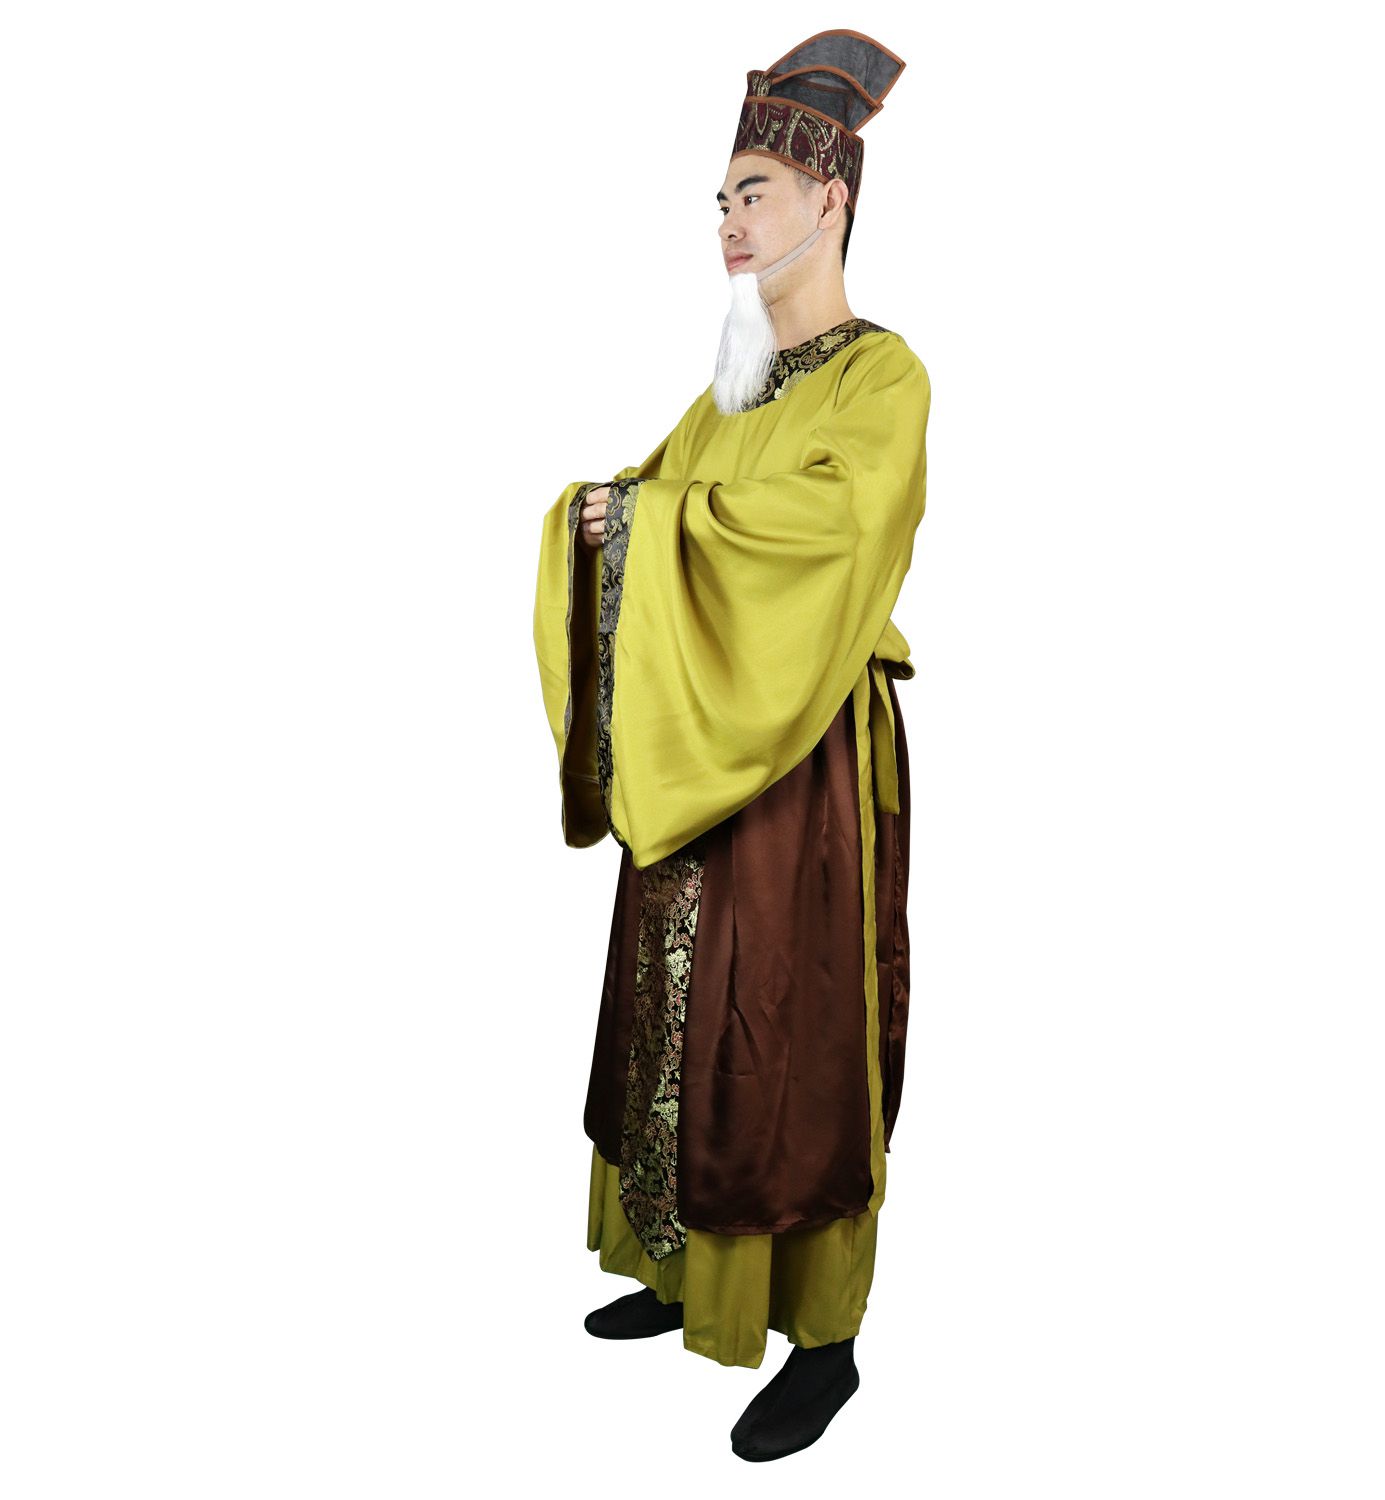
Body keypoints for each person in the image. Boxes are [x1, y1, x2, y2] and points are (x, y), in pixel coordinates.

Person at [532, 30, 928, 1462]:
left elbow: (832, 532)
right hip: (695, 752)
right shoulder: (732, 389)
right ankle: (678, 1265)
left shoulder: (883, 380)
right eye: (720, 199)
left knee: (794, 1039)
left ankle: (822, 1340)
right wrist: (603, 519)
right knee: (676, 1020)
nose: (728, 222)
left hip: (806, 768)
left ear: (830, 199)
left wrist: (649, 526)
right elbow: (654, 495)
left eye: (752, 193)